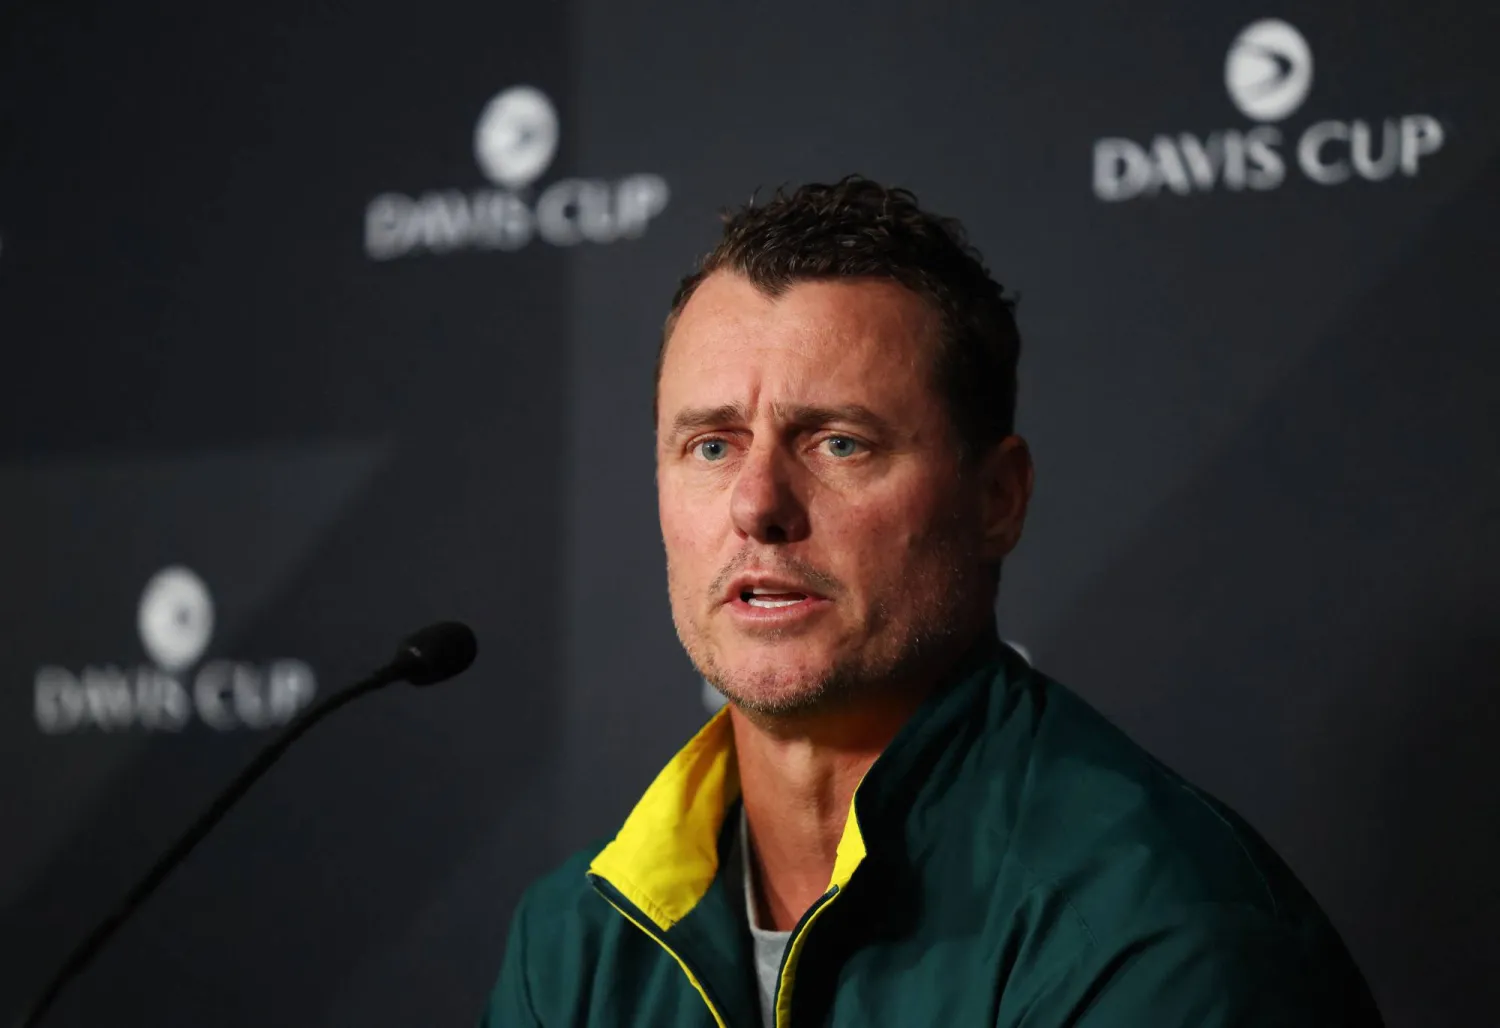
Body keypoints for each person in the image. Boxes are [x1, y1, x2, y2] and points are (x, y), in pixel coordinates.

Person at [480, 177, 1383, 1027]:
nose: (757, 505)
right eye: (712, 447)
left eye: (839, 443)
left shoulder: (1158, 927)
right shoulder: (573, 944)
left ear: (998, 499)